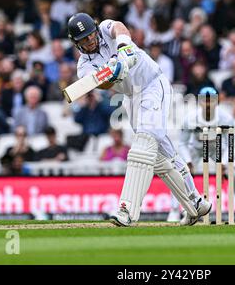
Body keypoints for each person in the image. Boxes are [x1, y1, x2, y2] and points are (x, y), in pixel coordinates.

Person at [67, 12, 210, 226]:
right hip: (132, 97)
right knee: (161, 155)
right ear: (76, 44)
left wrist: (124, 47)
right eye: (84, 40)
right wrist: (112, 73)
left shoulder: (106, 30)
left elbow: (119, 27)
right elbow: (102, 85)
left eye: (90, 35)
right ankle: (195, 204)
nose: (90, 41)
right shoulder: (84, 67)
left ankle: (127, 210)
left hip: (153, 84)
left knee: (143, 144)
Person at [173, 87, 235, 222]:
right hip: (196, 148)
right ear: (199, 102)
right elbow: (182, 143)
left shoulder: (225, 118)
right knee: (180, 172)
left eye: (211, 101)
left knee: (234, 170)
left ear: (217, 101)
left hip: (217, 148)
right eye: (204, 101)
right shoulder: (190, 118)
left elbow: (230, 144)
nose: (208, 104)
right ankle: (175, 211)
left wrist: (225, 164)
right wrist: (188, 161)